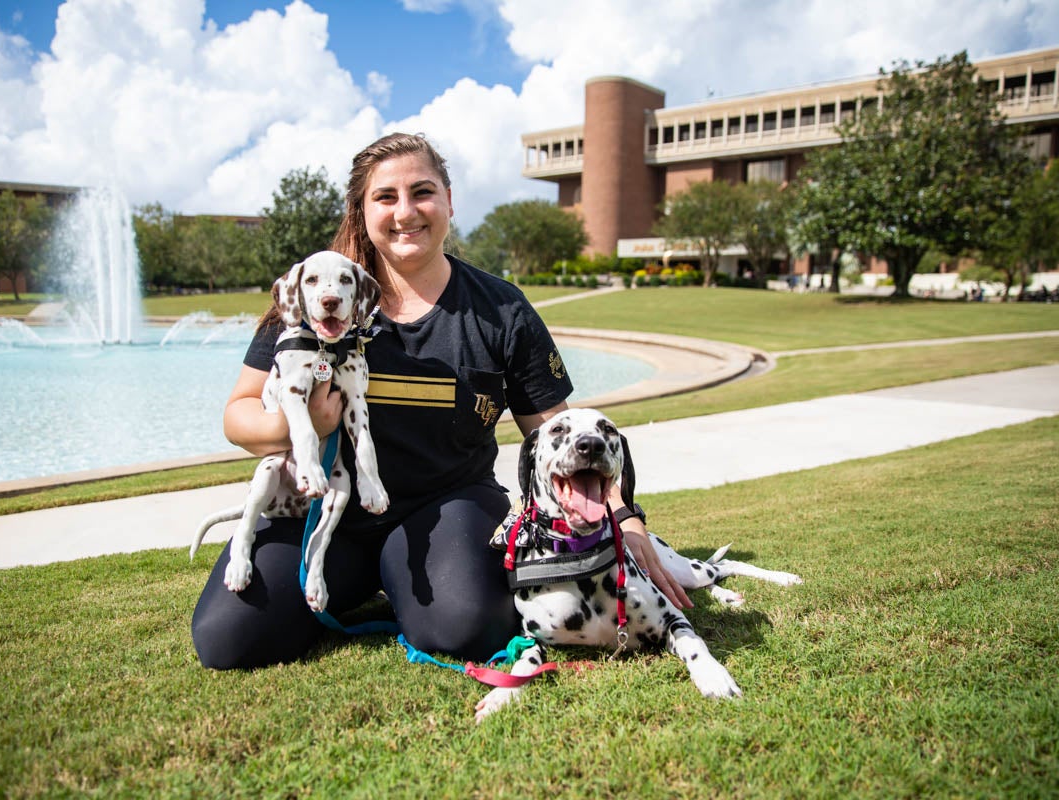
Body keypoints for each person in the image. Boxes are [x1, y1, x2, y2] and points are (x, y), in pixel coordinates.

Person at [191, 132, 689, 670]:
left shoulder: (502, 310)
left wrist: (625, 520)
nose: (405, 212)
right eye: (385, 197)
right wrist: (301, 425)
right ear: (362, 211)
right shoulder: (319, 293)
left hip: (446, 506)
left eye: (422, 192)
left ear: (449, 201)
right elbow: (238, 413)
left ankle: (405, 581)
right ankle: (368, 582)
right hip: (324, 509)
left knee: (465, 627)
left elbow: (558, 436)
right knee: (228, 639)